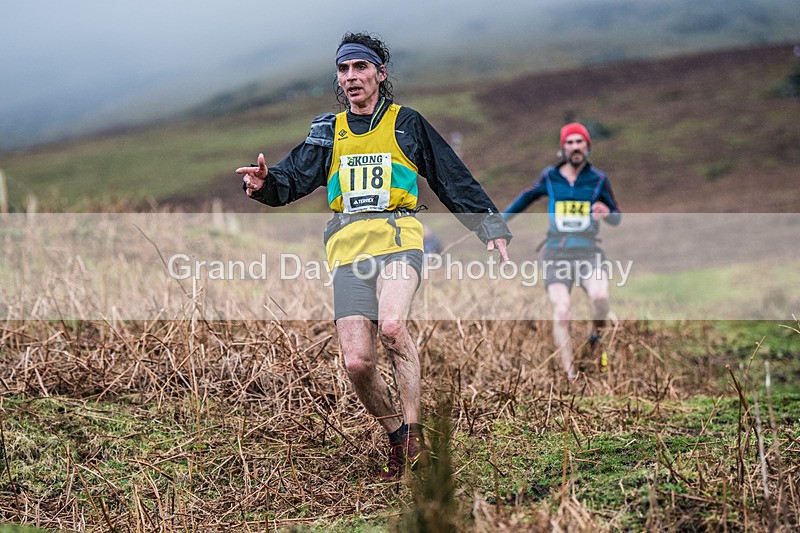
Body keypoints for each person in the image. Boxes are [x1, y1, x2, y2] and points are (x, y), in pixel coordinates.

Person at [236, 32, 511, 480]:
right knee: (357, 362)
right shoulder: (329, 131)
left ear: (380, 74)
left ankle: (417, 434)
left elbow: (450, 176)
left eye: (360, 67)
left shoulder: (407, 123)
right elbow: (289, 180)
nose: (351, 77)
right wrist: (264, 183)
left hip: (398, 237)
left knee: (394, 326)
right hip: (348, 249)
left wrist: (488, 226)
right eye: (344, 70)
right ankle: (399, 438)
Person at [502, 122, 620, 382]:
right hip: (556, 253)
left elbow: (616, 217)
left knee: (600, 298)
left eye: (580, 142)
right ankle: (569, 372)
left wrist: (607, 213)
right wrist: (498, 222)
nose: (575, 147)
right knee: (562, 309)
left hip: (589, 252)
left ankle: (596, 339)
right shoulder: (550, 177)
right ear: (563, 148)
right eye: (570, 142)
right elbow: (525, 198)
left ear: (588, 147)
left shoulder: (599, 179)